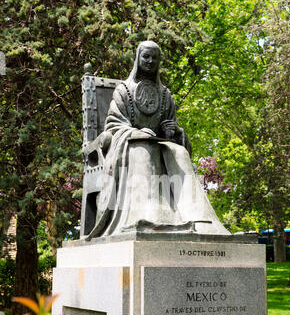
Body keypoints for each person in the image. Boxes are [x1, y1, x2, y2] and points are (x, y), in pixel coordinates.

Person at [86, 41, 229, 239]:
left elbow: (174, 128)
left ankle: (198, 218)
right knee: (144, 149)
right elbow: (113, 126)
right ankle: (150, 215)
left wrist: (174, 132)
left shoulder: (165, 94)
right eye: (146, 56)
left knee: (180, 152)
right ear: (138, 58)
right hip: (130, 145)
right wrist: (135, 133)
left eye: (155, 57)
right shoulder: (123, 90)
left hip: (160, 144)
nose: (150, 61)